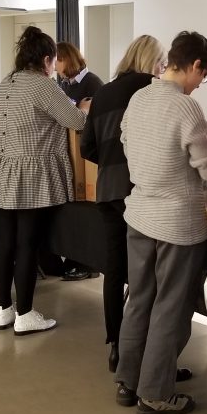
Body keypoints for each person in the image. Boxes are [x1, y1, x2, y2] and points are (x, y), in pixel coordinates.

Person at [115, 31, 207, 414]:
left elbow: (125, 142)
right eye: (203, 76)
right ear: (195, 65)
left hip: (139, 214)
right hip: (177, 223)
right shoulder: (185, 108)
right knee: (170, 307)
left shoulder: (139, 98)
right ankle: (155, 393)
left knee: (139, 299)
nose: (199, 84)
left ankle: (130, 380)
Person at [0, 27, 89, 335]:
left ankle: (4, 310)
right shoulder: (42, 85)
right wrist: (83, 108)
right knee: (27, 244)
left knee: (5, 244)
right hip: (31, 174)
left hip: (2, 169)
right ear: (46, 59)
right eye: (53, 60)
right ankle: (25, 314)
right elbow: (76, 121)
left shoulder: (8, 81)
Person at [80, 35, 167, 372]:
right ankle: (148, 354)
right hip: (139, 190)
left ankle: (116, 346)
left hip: (107, 190)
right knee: (149, 274)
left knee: (115, 270)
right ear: (152, 61)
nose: (162, 69)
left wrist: (110, 160)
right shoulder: (151, 89)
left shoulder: (103, 93)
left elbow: (87, 147)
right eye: (161, 62)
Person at [55, 41, 104, 281]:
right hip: (71, 154)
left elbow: (94, 120)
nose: (55, 66)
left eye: (57, 60)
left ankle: (87, 264)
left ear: (67, 59)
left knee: (86, 211)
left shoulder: (93, 83)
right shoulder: (64, 84)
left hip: (88, 156)